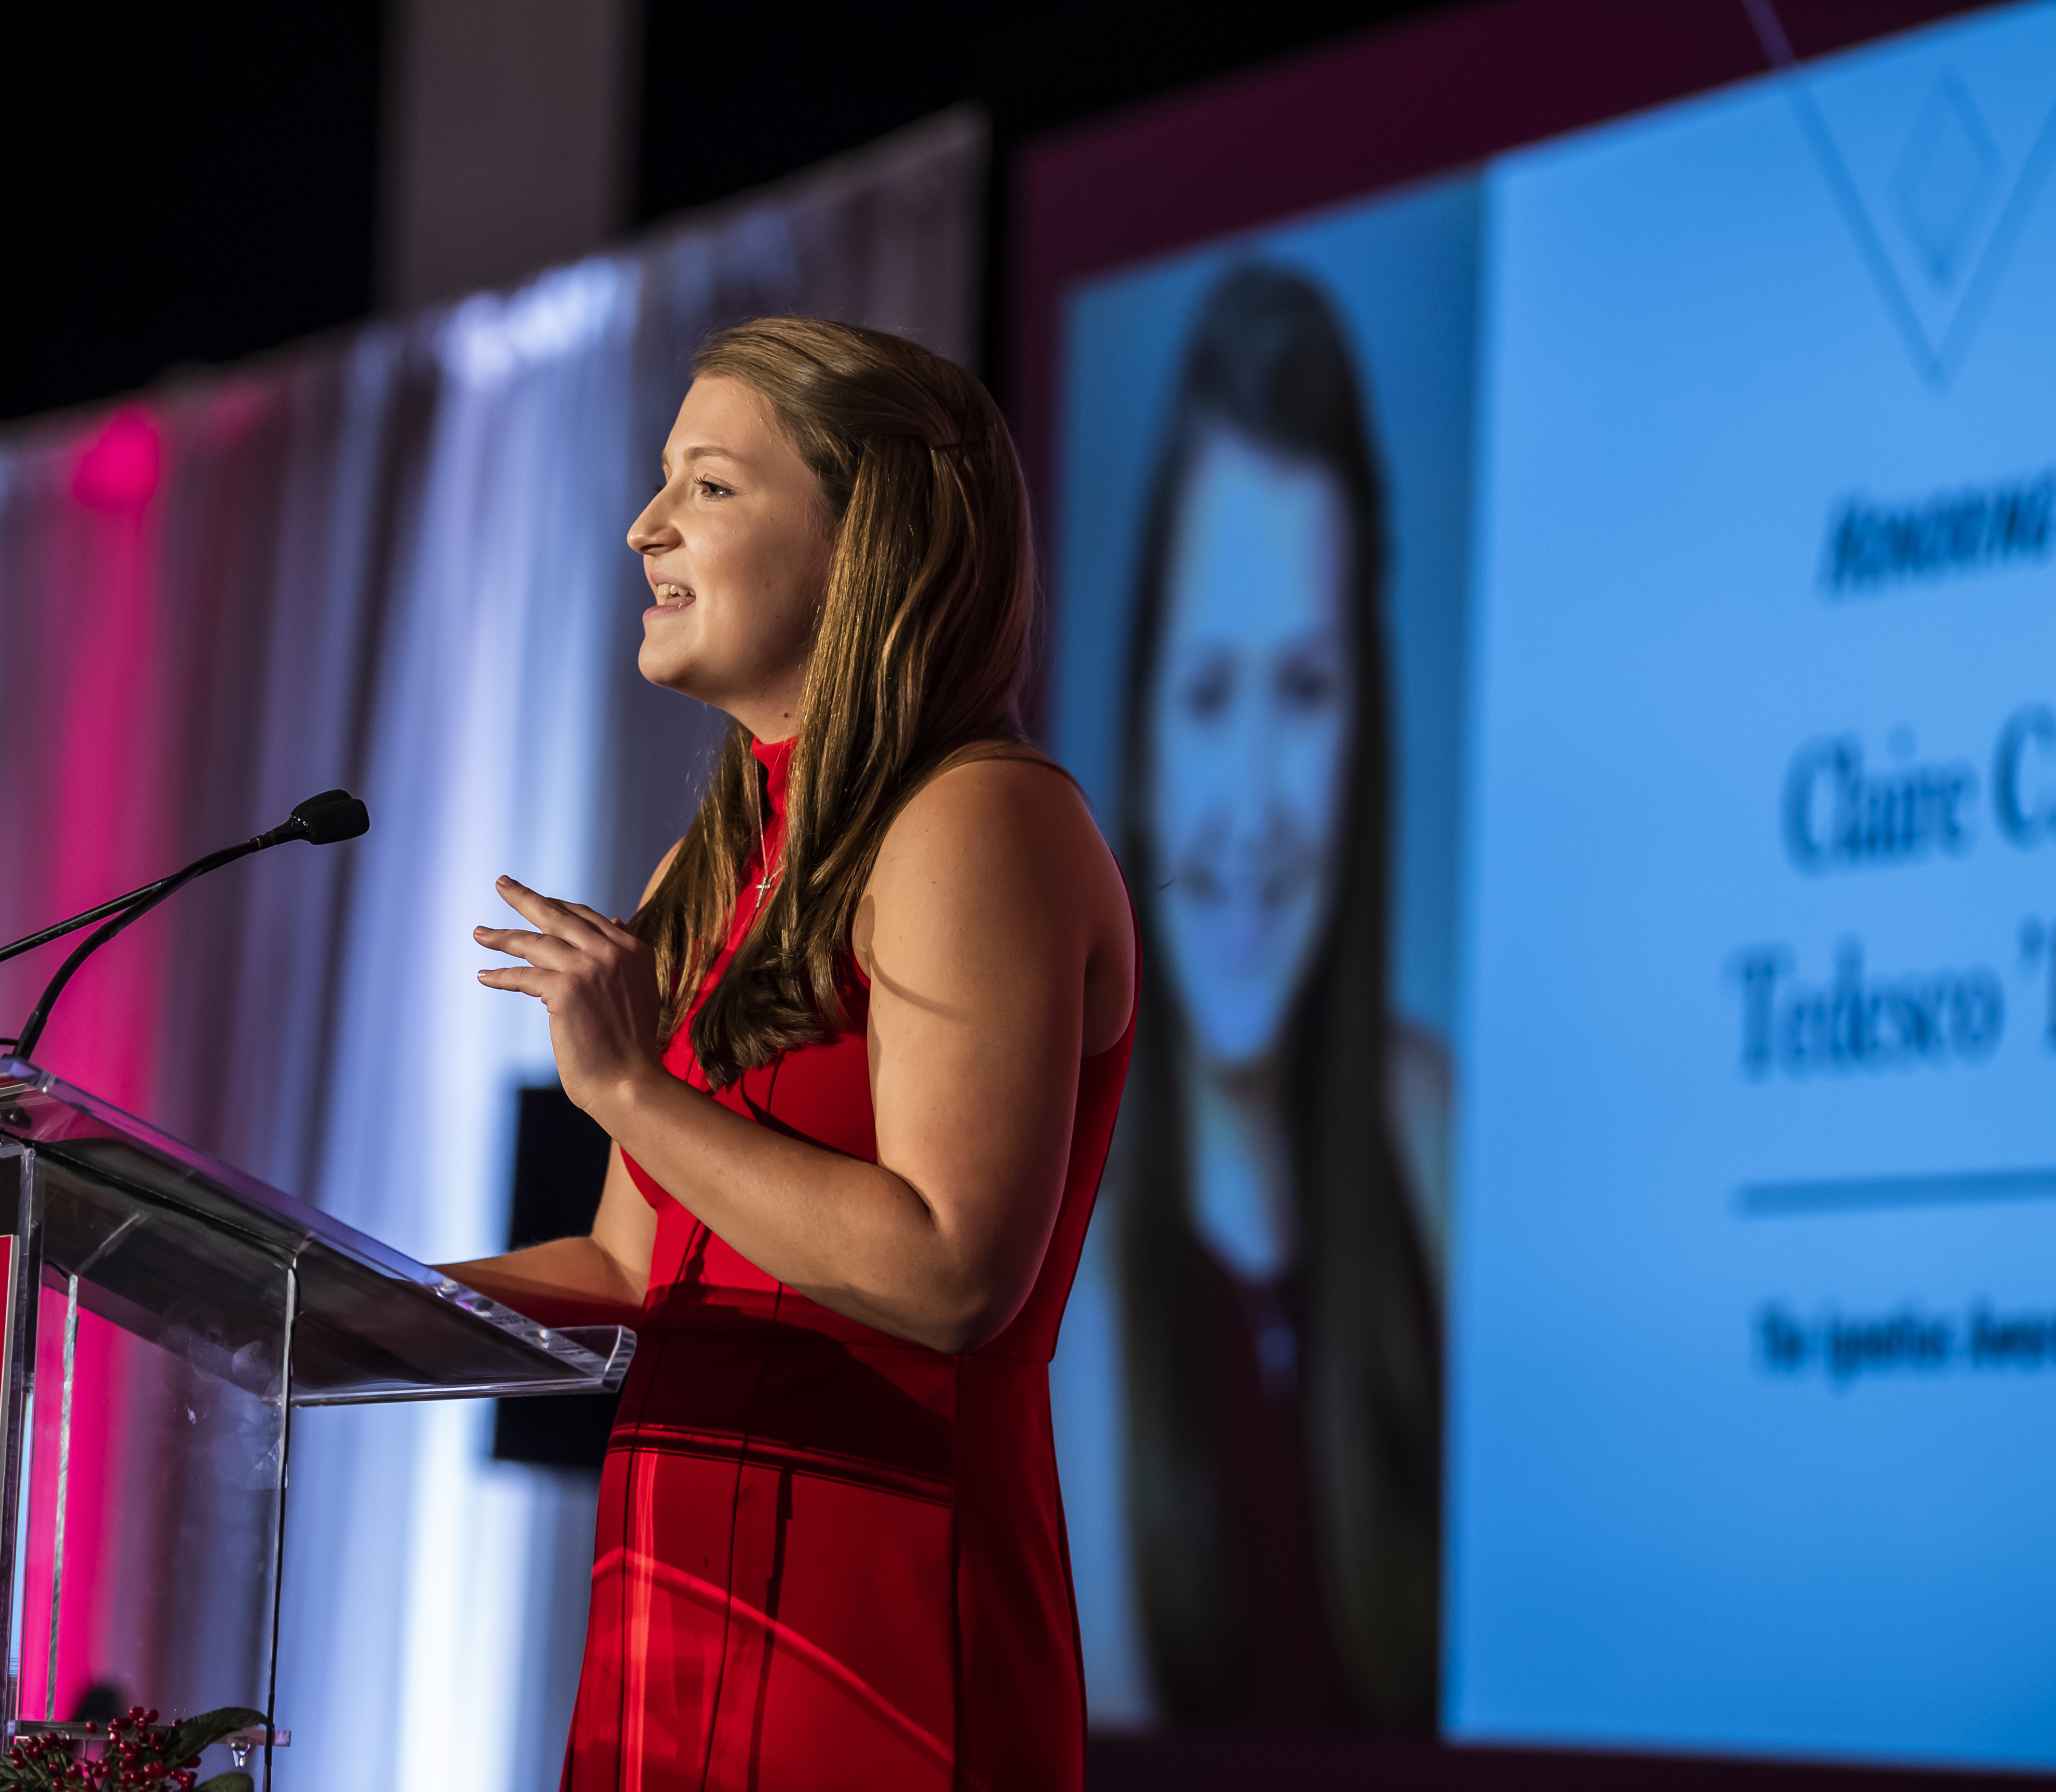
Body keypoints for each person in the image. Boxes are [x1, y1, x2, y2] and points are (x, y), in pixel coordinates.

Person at [442, 316, 1138, 1790]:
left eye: (707, 485)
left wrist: (630, 1088)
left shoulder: (980, 822)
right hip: (672, 1623)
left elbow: (953, 1269)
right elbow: (639, 1271)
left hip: (880, 1640)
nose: (644, 527)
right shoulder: (720, 855)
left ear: (864, 532)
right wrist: (320, 1303)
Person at [1111, 264, 1446, 1729]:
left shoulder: (1439, 1140)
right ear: (1135, 744)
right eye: (1207, 695)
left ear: (1366, 729)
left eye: (1304, 692)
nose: (1252, 809)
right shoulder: (1051, 1222)